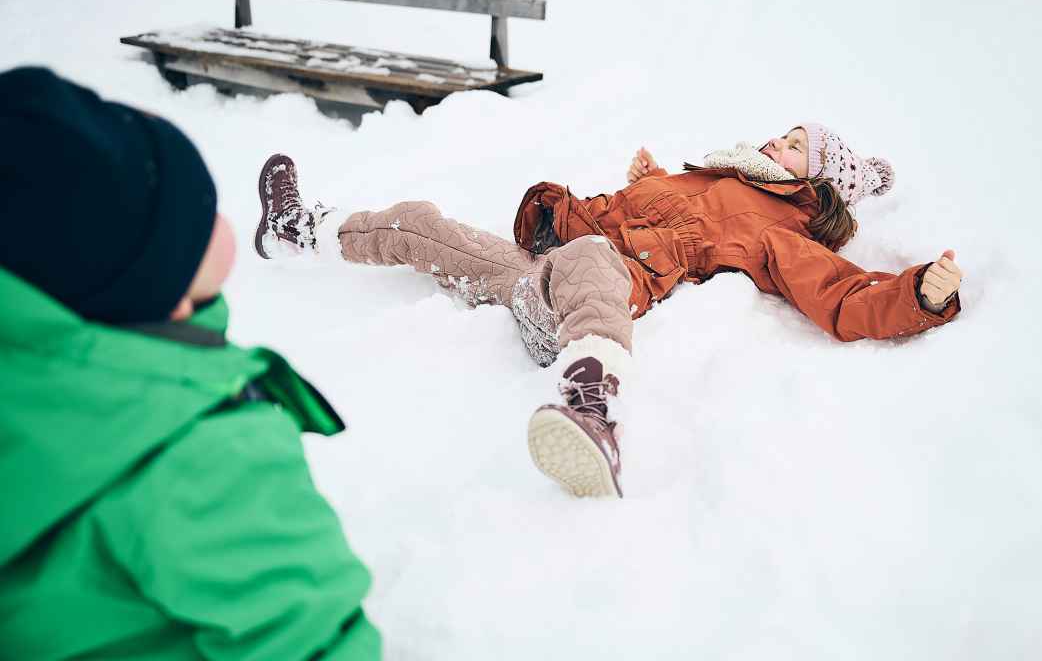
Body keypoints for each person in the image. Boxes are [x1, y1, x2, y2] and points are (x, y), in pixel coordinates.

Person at [254, 124, 962, 500]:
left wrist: (917, 296)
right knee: (422, 224)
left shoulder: (780, 226)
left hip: (605, 289)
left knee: (592, 258)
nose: (780, 140)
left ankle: (591, 402)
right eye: (785, 133)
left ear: (816, 180)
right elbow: (596, 223)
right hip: (549, 280)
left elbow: (838, 293)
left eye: (798, 145)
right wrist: (609, 198)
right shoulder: (707, 175)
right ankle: (301, 227)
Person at [0, 68, 380, 659]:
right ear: (165, 293)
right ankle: (297, 228)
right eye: (201, 218)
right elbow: (317, 643)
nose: (215, 216)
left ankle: (294, 228)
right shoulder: (201, 458)